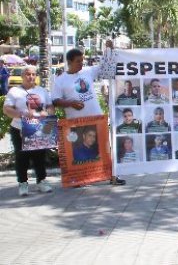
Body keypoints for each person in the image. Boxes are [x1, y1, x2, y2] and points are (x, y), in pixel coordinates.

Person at [52, 43, 125, 185]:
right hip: (76, 122)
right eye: (78, 61)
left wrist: (108, 50)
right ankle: (78, 179)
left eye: (82, 60)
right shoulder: (60, 80)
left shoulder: (87, 72)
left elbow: (105, 66)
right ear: (69, 62)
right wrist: (70, 103)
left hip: (96, 118)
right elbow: (55, 100)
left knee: (104, 148)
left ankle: (112, 176)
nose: (81, 63)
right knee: (78, 150)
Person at [3, 65, 55, 196]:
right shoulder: (14, 91)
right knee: (22, 158)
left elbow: (50, 107)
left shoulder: (42, 91)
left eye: (33, 74)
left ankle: (41, 181)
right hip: (19, 129)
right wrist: (22, 114)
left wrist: (47, 112)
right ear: (22, 76)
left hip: (38, 129)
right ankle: (23, 183)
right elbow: (7, 109)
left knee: (40, 156)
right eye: (27, 74)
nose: (30, 77)